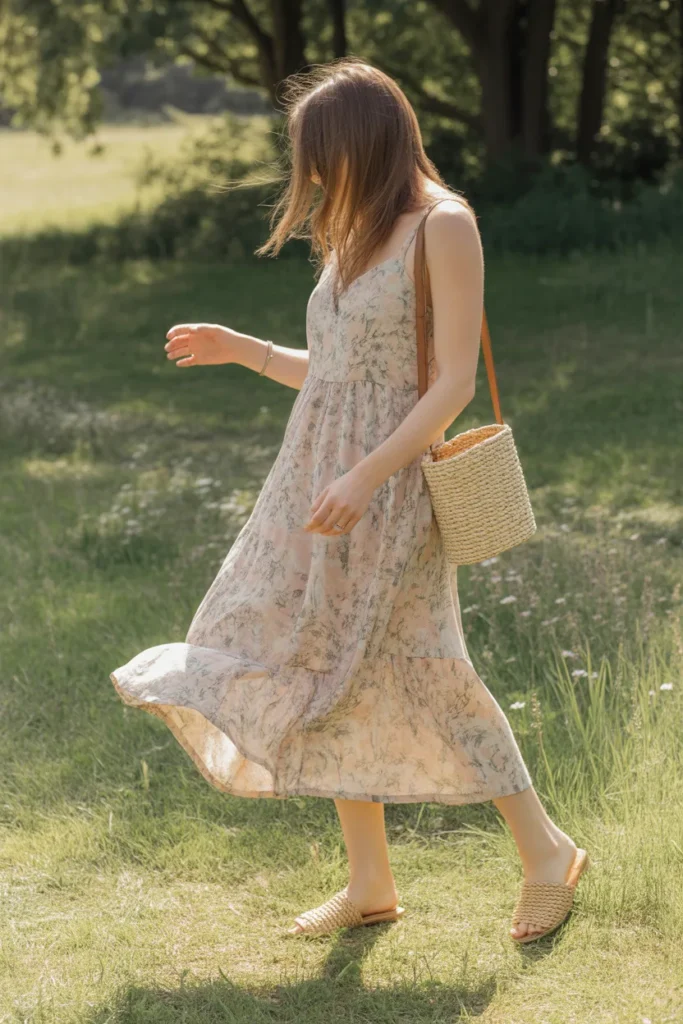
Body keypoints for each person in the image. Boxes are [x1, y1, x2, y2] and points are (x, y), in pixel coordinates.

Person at [110, 57, 588, 944]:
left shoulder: (442, 227)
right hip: (316, 478)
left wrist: (368, 474)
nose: (313, 175)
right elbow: (337, 379)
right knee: (322, 658)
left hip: (390, 482)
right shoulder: (353, 228)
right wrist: (241, 347)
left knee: (426, 662)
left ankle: (547, 854)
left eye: (321, 155)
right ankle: (369, 883)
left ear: (365, 142)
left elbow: (445, 385)